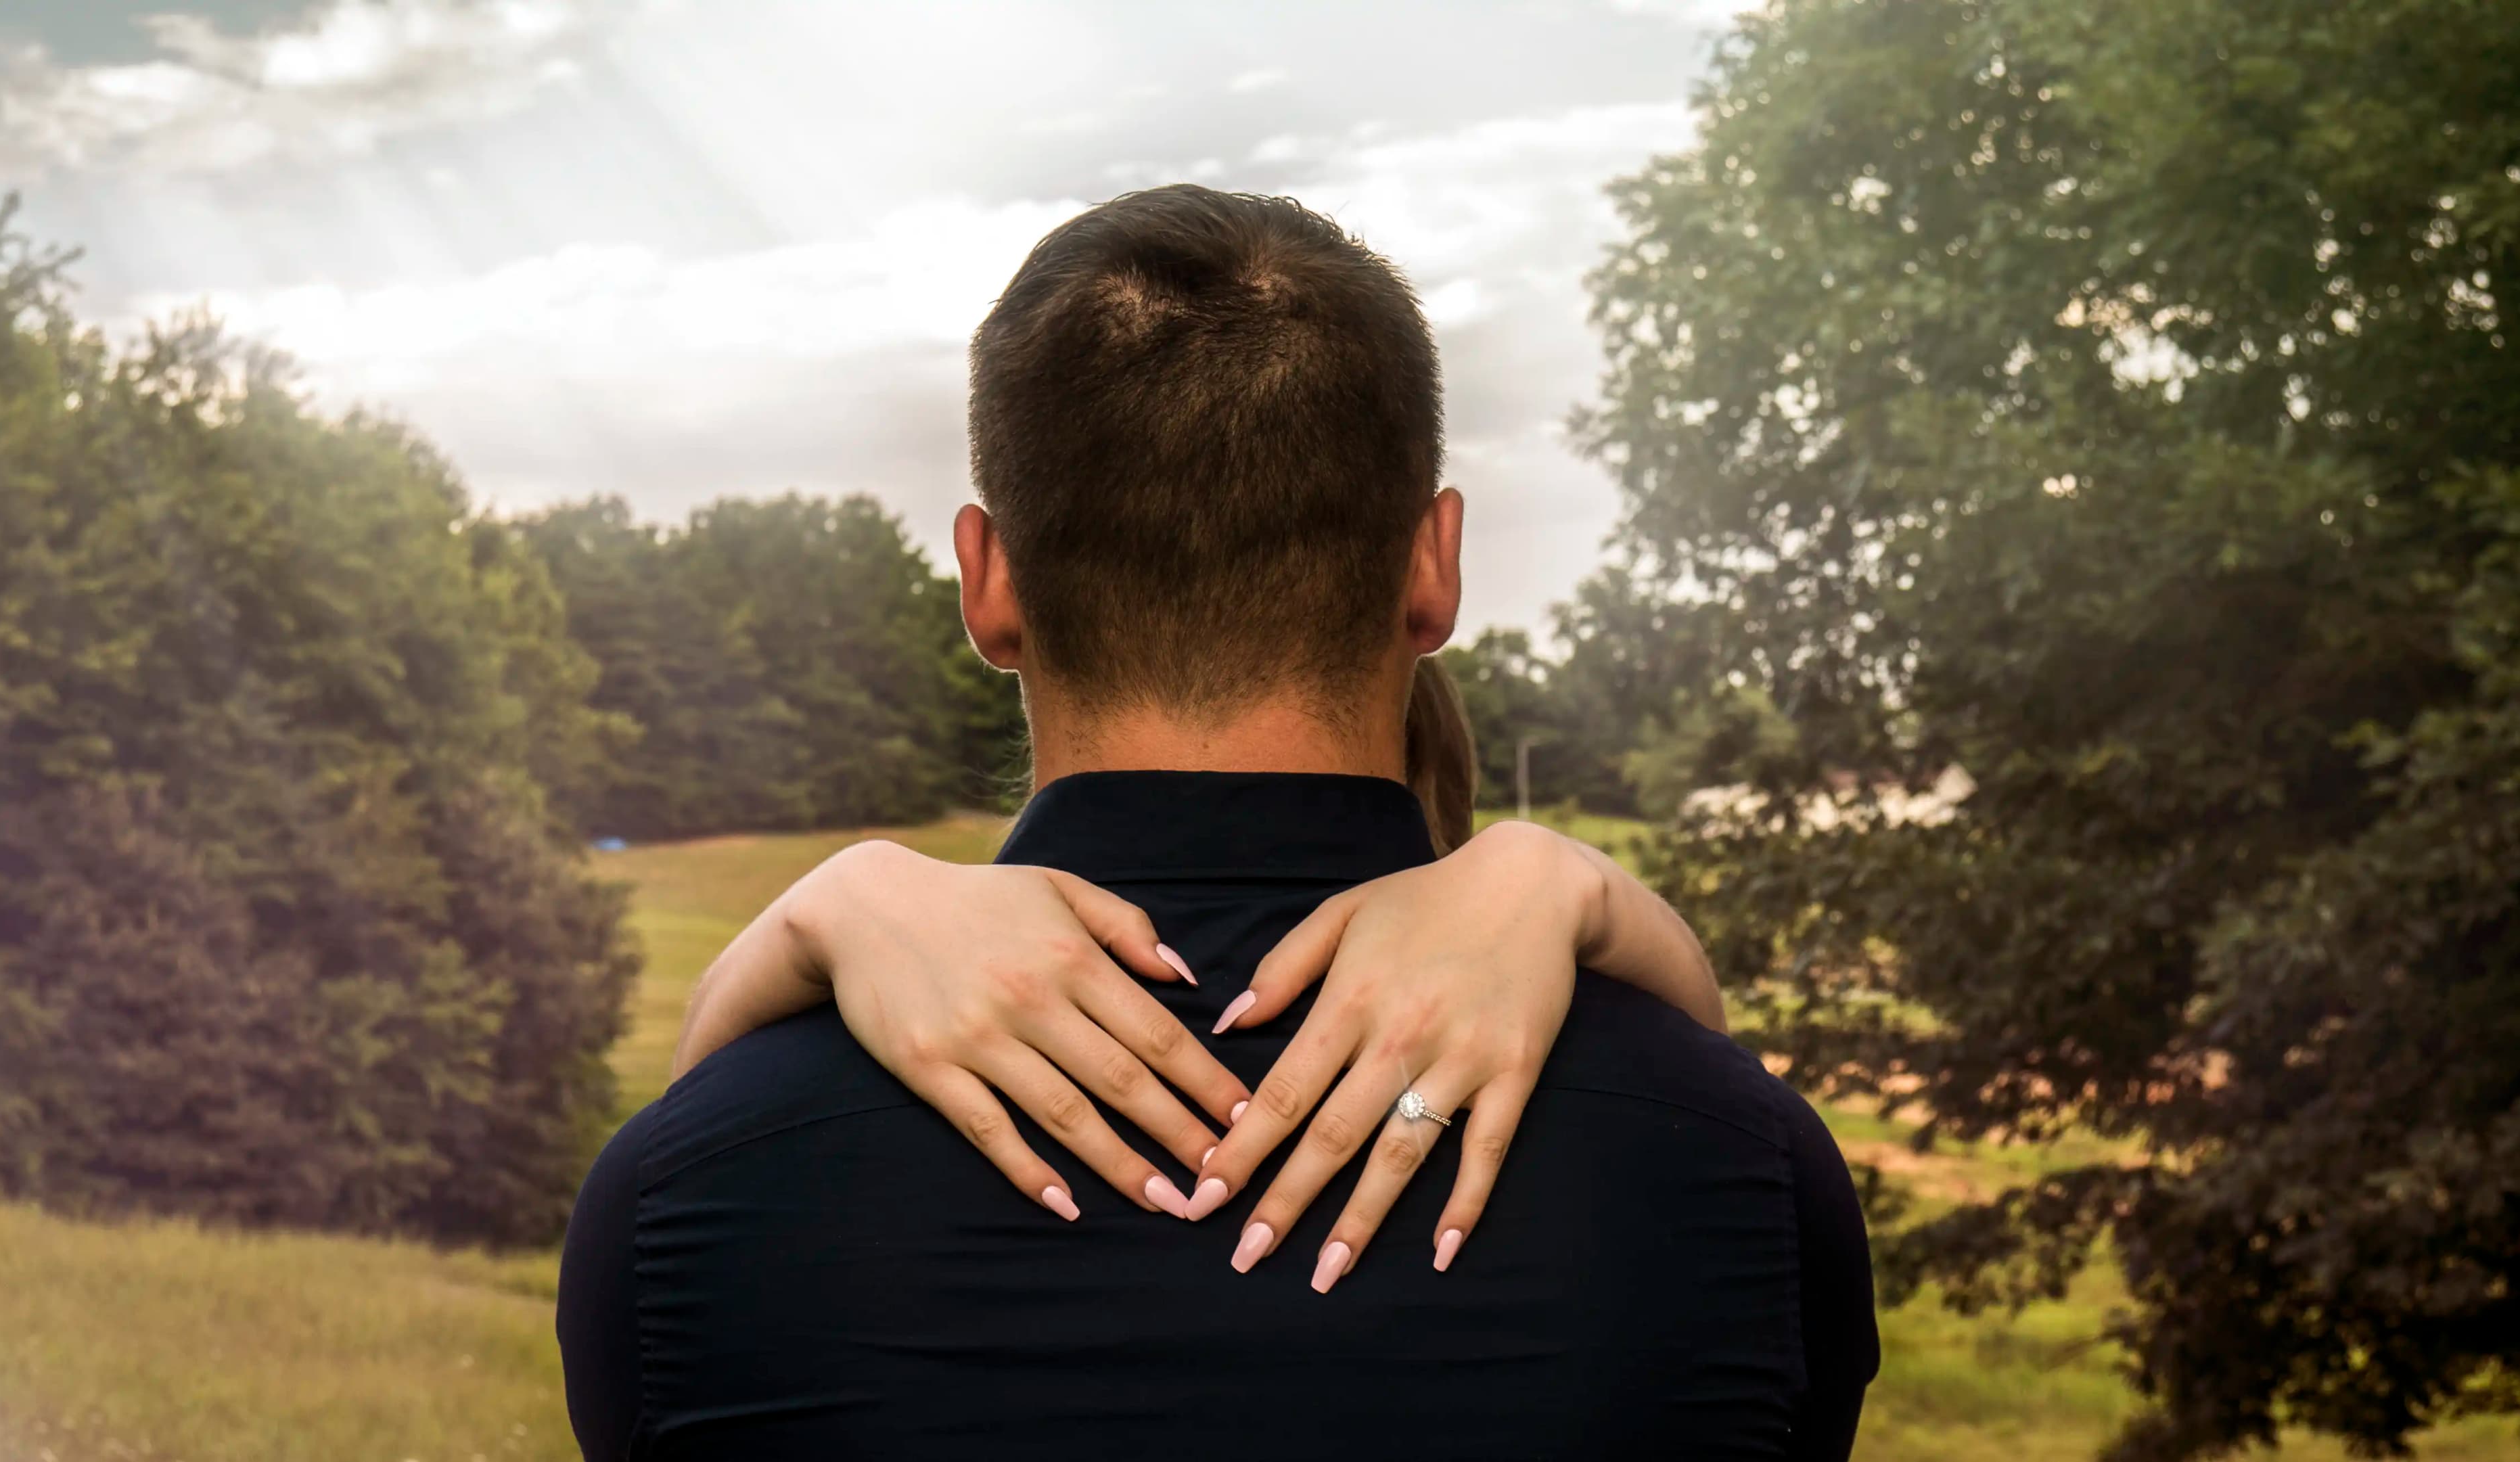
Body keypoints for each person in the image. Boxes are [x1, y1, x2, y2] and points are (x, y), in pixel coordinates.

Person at [557, 185, 1877, 1460]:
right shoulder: (1751, 1172)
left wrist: (806, 921)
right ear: (1435, 569)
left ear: (987, 583)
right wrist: (1585, 890)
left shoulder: (681, 1195)